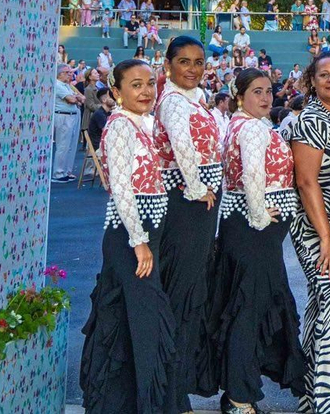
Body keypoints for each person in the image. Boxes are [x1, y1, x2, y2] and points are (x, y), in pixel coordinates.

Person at [202, 69, 305, 412]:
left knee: (248, 307)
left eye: (269, 91)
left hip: (246, 229)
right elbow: (251, 176)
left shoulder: (246, 125)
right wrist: (261, 216)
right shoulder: (250, 129)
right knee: (249, 308)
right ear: (239, 94)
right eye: (257, 91)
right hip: (252, 229)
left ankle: (238, 391)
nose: (265, 97)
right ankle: (237, 397)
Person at [80, 59, 175, 413]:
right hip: (130, 235)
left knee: (128, 316)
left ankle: (123, 402)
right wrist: (139, 242)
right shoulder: (120, 126)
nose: (146, 91)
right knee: (148, 317)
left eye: (150, 83)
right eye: (135, 85)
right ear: (117, 93)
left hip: (143, 231)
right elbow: (120, 187)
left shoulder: (140, 124)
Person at [153, 35, 223, 414]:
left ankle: (174, 393)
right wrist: (197, 188)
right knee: (181, 295)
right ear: (169, 64)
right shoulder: (175, 103)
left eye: (199, 61)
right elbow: (182, 148)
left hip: (197, 207)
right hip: (186, 206)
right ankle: (171, 397)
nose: (193, 68)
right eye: (185, 61)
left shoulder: (191, 100)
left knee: (188, 293)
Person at [287, 51, 330, 414]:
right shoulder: (311, 120)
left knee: (322, 307)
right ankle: (329, 400)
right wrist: (327, 238)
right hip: (318, 230)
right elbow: (306, 181)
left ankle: (308, 393)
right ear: (311, 81)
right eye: (323, 75)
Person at [52, 67, 84, 183]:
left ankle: (67, 171)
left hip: (73, 114)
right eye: (67, 73)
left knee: (71, 145)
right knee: (63, 145)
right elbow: (71, 99)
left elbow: (82, 98)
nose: (70, 75)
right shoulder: (58, 84)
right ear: (60, 74)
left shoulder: (68, 85)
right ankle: (58, 172)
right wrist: (76, 98)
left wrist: (77, 98)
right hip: (63, 116)